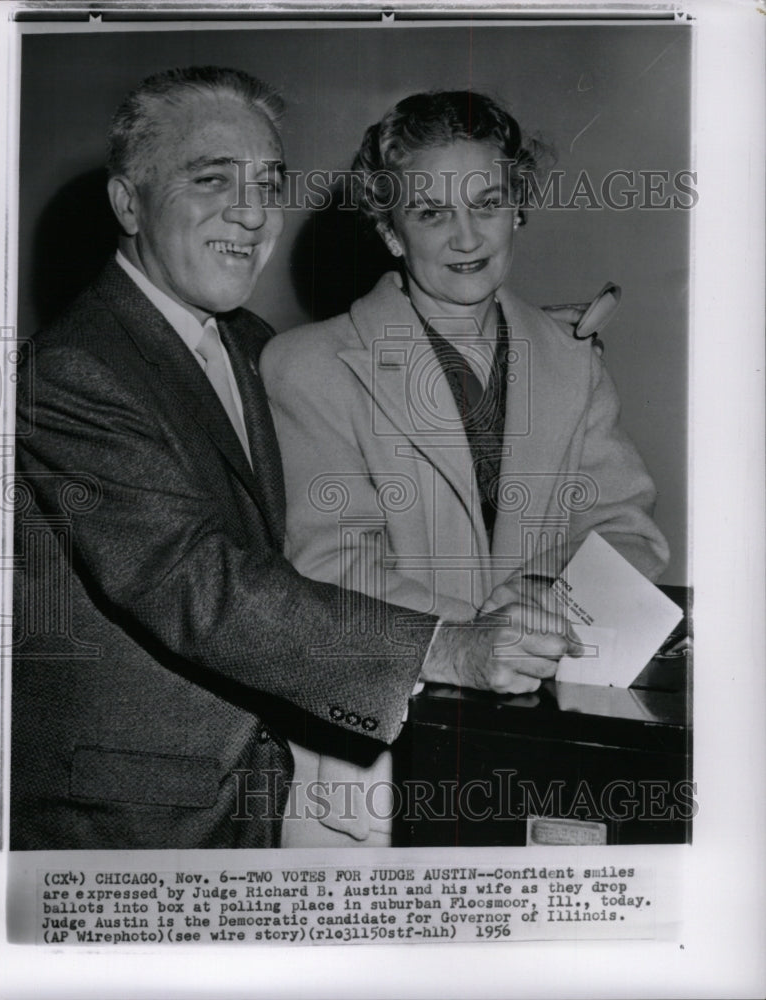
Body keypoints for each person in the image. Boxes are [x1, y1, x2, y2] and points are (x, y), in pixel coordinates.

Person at [10, 69, 579, 851]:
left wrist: (499, 354)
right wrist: (449, 646)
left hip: (250, 792)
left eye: (268, 183)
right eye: (211, 180)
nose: (250, 213)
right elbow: (196, 583)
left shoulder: (241, 340)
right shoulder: (71, 370)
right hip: (132, 821)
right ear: (127, 202)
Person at [262, 90, 669, 847]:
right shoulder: (307, 365)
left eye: (487, 202)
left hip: (534, 750)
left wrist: (549, 596)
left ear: (518, 208)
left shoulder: (570, 360)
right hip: (375, 768)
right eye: (429, 214)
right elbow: (328, 564)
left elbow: (626, 528)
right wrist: (479, 631)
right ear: (388, 231)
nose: (465, 236)